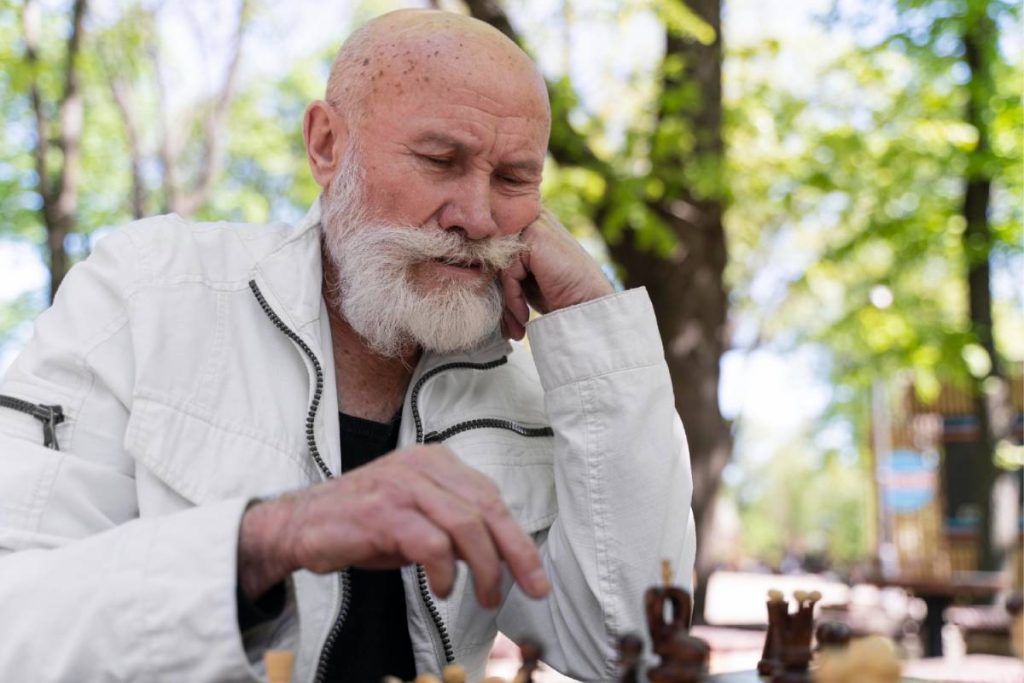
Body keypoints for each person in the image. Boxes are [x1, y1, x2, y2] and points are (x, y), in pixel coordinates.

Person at [0, 9, 696, 682]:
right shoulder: (149, 295)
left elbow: (626, 648)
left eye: (514, 178)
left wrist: (596, 327)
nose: (479, 217)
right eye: (439, 159)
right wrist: (272, 537)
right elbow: (16, 623)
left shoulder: (536, 386)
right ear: (326, 145)